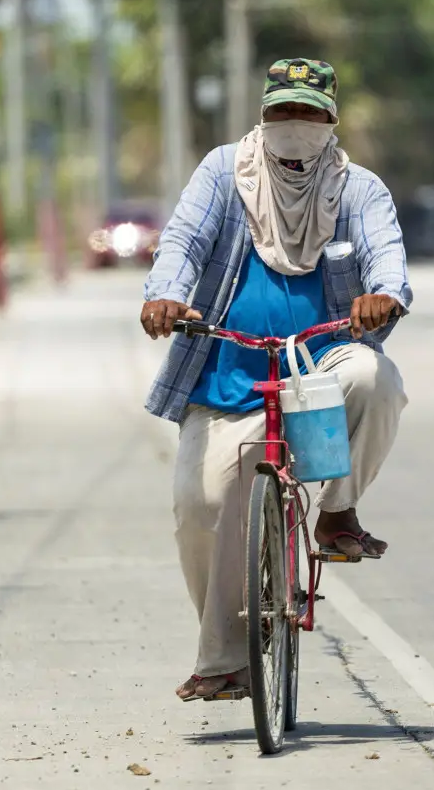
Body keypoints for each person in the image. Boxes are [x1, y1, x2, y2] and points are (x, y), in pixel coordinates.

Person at [139, 58, 412, 701]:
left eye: (308, 114)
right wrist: (166, 298)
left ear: (330, 122)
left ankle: (337, 512)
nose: (295, 127)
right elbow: (182, 242)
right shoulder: (223, 172)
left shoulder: (359, 189)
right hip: (227, 374)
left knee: (375, 376)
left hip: (319, 370)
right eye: (283, 113)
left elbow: (387, 253)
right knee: (201, 509)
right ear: (263, 117)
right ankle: (228, 659)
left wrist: (383, 294)